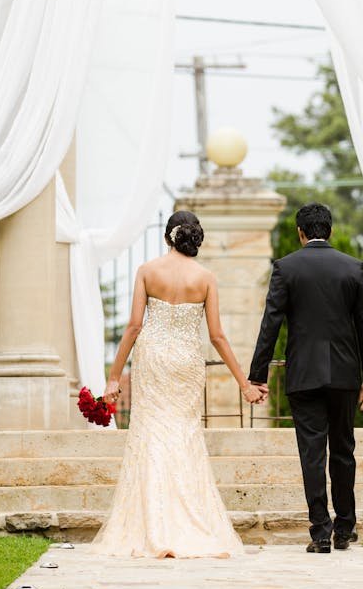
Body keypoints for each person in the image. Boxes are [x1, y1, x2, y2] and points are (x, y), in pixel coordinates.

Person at [86, 209, 263, 558]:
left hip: (152, 359)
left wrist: (112, 377)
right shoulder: (206, 277)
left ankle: (152, 523)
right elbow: (217, 335)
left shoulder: (147, 271)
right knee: (183, 434)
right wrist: (244, 383)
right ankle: (189, 521)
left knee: (150, 433)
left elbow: (134, 327)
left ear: (168, 236)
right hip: (185, 361)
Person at [249, 202, 363, 554]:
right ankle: (345, 528)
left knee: (312, 453)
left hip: (304, 374)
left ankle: (320, 532)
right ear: (331, 230)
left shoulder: (286, 268)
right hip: (343, 374)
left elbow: (270, 324)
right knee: (343, 450)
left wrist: (257, 375)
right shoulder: (352, 268)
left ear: (301, 233)